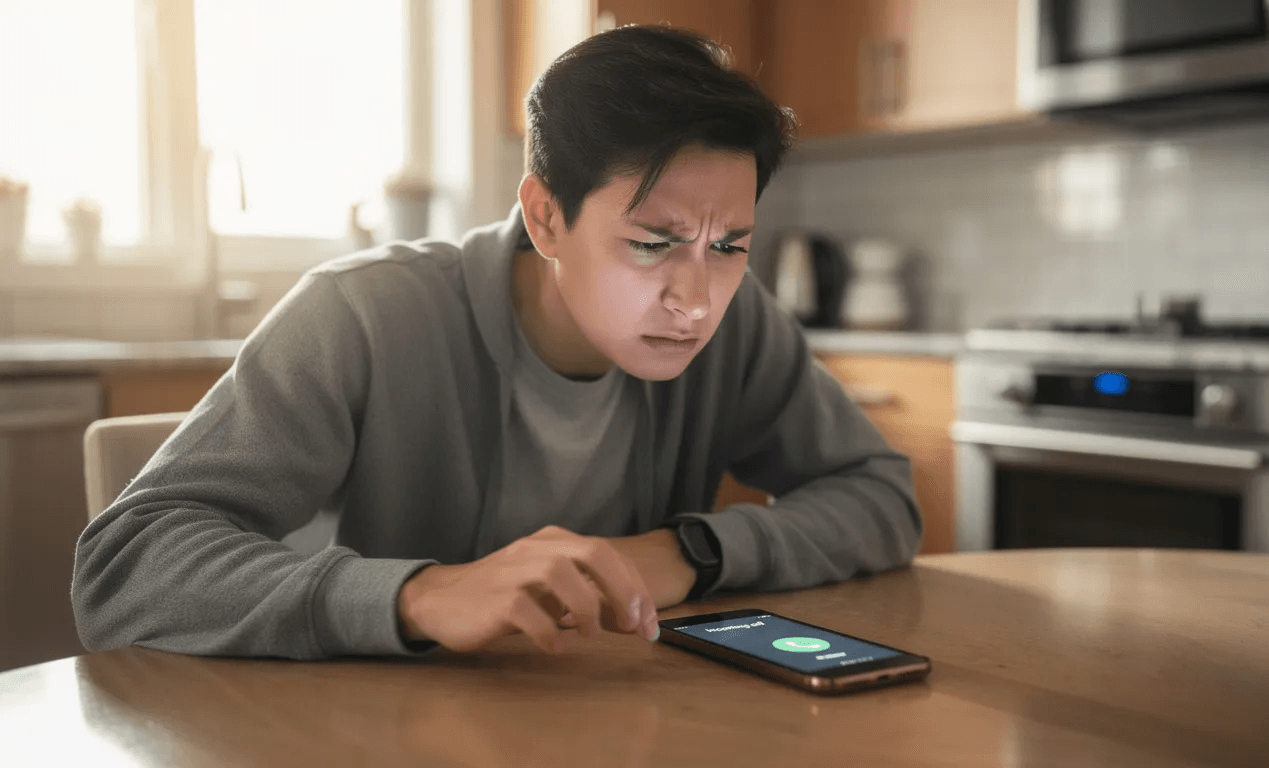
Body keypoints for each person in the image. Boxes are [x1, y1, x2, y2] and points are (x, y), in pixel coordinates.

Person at [71, 24, 922, 661]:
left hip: (618, 724)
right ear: (547, 217)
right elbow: (123, 567)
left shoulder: (740, 326)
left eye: (730, 245)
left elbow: (883, 498)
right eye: (652, 243)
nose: (697, 300)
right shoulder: (364, 314)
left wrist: (689, 553)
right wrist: (419, 595)